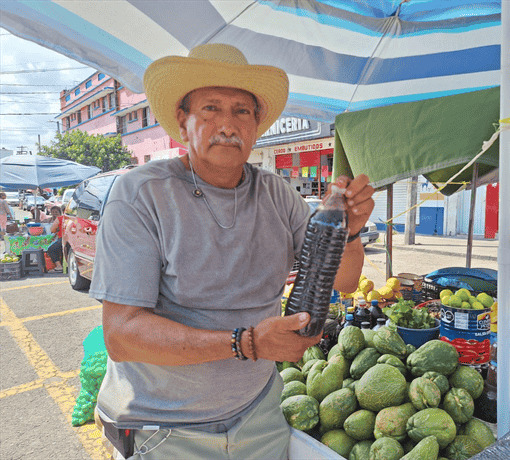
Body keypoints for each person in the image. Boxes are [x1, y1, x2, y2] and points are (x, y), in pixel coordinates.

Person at [90, 43, 375, 460]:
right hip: (165, 429)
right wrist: (247, 343)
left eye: (242, 111)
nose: (227, 124)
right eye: (210, 109)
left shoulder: (277, 193)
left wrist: (348, 234)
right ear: (183, 125)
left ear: (256, 126)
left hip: (258, 415)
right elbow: (122, 336)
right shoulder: (140, 195)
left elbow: (345, 281)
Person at [45, 206, 64, 272]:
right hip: (70, 239)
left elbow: (52, 230)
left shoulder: (59, 218)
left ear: (60, 212)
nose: (54, 214)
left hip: (63, 239)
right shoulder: (73, 218)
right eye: (53, 212)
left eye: (56, 212)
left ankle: (59, 266)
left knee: (51, 249)